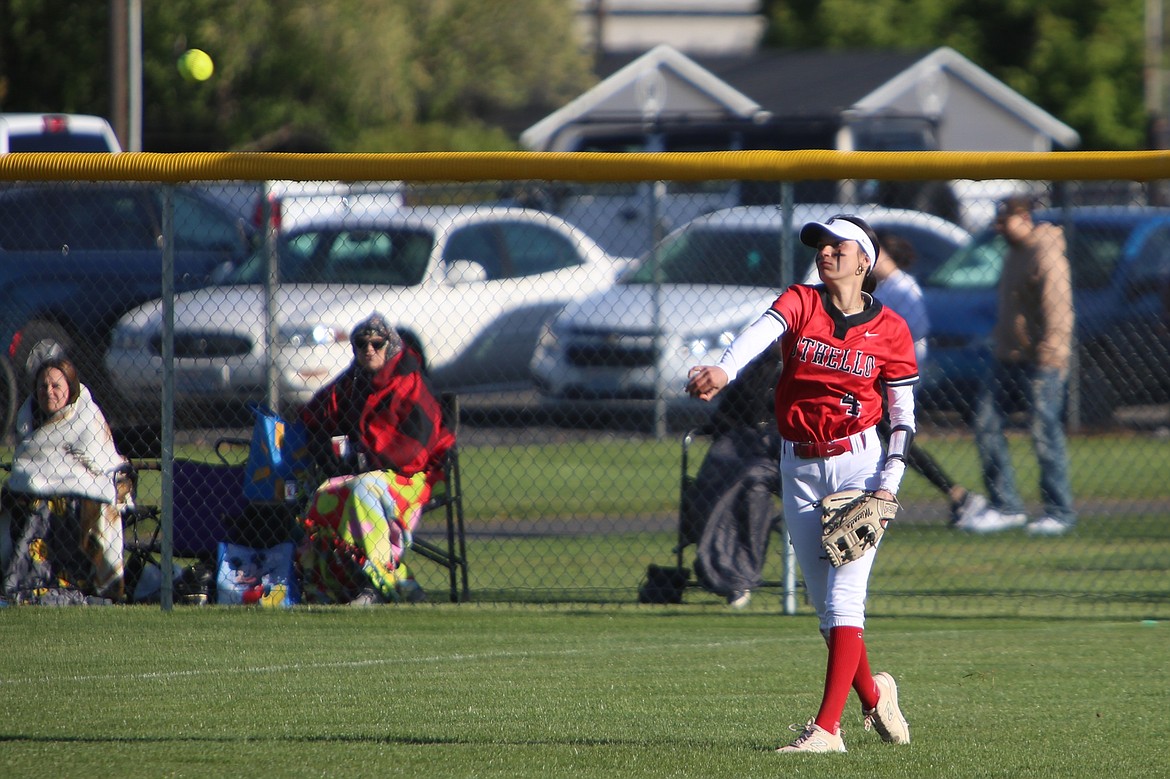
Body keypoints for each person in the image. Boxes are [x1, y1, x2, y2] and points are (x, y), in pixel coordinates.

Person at [687, 214, 913, 753]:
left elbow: (903, 415)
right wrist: (724, 369)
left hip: (859, 464)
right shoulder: (801, 302)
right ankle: (875, 693)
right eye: (821, 245)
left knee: (845, 600)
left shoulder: (892, 329)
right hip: (799, 464)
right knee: (824, 608)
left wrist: (890, 482)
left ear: (866, 260)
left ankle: (826, 731)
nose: (826, 253)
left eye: (840, 246)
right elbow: (759, 332)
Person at [296, 313, 455, 604]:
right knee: (324, 495)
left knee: (363, 490)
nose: (369, 350)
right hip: (370, 474)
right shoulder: (353, 380)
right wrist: (326, 449)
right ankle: (336, 585)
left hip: (412, 478)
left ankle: (383, 582)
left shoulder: (411, 384)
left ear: (390, 346)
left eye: (377, 343)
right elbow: (316, 413)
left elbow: (416, 451)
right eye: (361, 343)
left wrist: (366, 459)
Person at [954, 196, 1076, 536]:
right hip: (1007, 357)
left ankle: (1059, 512)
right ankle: (1006, 506)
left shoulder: (1045, 253)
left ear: (1024, 217)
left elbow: (1059, 308)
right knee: (986, 423)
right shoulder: (1012, 253)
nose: (997, 227)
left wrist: (1051, 352)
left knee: (1044, 433)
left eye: (1003, 219)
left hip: (1041, 360)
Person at [870, 231, 987, 527]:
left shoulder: (902, 287)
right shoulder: (883, 288)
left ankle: (958, 494)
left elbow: (917, 327)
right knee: (890, 439)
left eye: (877, 253)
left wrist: (881, 349)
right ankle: (956, 494)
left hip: (896, 378)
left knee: (895, 439)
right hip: (880, 377)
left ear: (890, 255)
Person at [1, 356, 127, 604]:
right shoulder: (28, 419)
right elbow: (27, 462)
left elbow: (98, 467)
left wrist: (62, 481)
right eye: (42, 386)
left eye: (56, 386)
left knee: (58, 507)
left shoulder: (87, 417)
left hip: (85, 492)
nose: (48, 392)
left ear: (70, 388)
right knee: (16, 503)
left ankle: (76, 581)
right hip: (37, 492)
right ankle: (24, 579)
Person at [679, 343, 782, 610]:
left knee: (751, 481)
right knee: (742, 483)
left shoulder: (808, 370)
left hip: (783, 459)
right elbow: (727, 415)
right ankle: (732, 575)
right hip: (739, 452)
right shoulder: (755, 367)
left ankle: (737, 575)